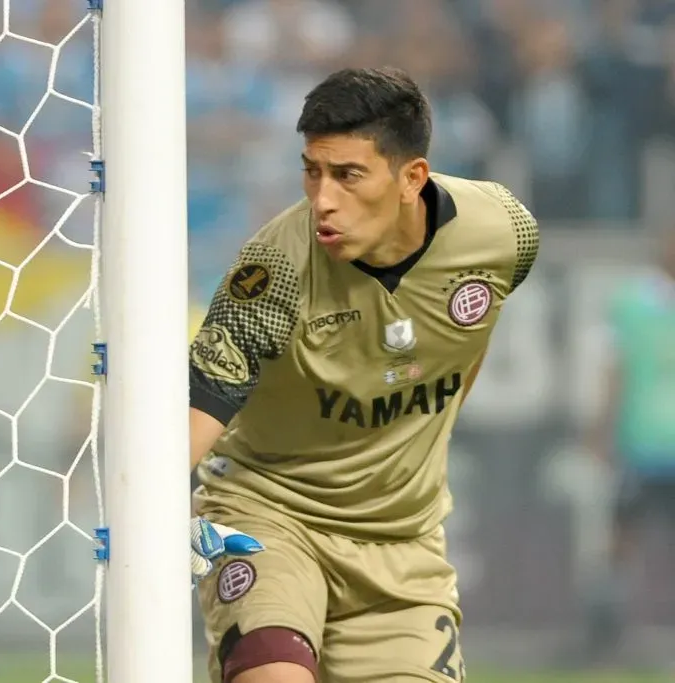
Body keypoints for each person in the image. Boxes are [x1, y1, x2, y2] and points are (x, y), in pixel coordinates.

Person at [188, 66, 539, 683]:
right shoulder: (272, 273)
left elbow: (469, 339)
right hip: (270, 516)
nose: (323, 199)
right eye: (312, 171)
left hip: (402, 543)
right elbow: (196, 414)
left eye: (348, 175)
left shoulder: (505, 231)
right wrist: (147, 515)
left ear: (412, 178)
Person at [577, 227, 675, 664]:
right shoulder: (632, 304)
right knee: (620, 541)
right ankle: (605, 634)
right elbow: (614, 370)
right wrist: (601, 431)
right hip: (643, 445)